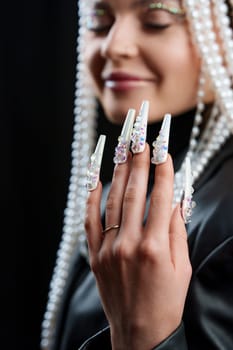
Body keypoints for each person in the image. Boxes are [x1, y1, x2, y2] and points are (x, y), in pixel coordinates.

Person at [41, 0, 233, 349]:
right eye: (99, 21)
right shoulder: (125, 195)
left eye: (157, 19)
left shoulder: (224, 221)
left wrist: (145, 334)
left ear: (226, 30)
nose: (115, 45)